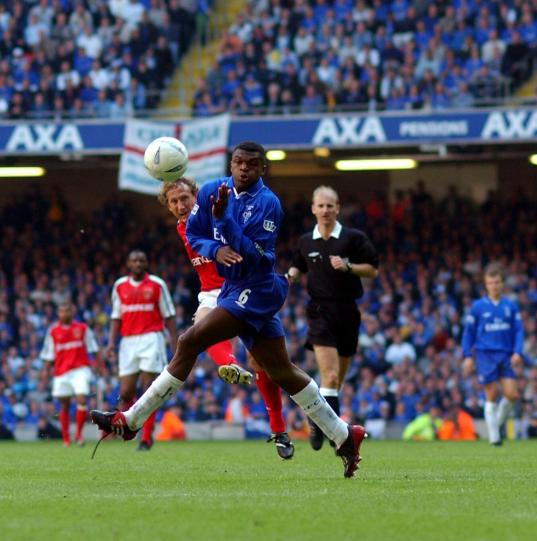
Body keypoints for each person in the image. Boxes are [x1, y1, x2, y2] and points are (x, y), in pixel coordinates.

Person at [90, 141, 367, 477]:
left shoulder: (268, 204)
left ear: (262, 168)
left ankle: (131, 420)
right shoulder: (212, 190)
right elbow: (194, 233)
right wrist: (215, 248)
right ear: (231, 164)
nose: (243, 169)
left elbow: (255, 255)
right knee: (281, 371)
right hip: (233, 290)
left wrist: (224, 225)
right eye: (238, 162)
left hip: (258, 287)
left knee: (189, 341)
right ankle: (344, 435)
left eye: (251, 164)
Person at [160, 177, 293, 459]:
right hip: (211, 292)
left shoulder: (213, 214)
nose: (180, 205)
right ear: (169, 207)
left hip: (242, 286)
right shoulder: (181, 227)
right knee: (200, 327)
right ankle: (230, 365)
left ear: (197, 197)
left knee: (266, 364)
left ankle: (279, 428)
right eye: (174, 202)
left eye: (185, 198)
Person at [287, 185, 380, 452]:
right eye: (321, 206)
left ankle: (316, 419)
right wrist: (290, 276)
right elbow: (298, 264)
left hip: (348, 313)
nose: (325, 210)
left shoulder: (353, 238)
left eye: (330, 206)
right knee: (328, 375)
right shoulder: (306, 241)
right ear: (313, 209)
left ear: (337, 208)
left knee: (336, 381)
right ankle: (337, 435)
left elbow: (373, 269)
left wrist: (349, 266)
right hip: (320, 312)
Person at [107, 250, 178, 451]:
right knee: (126, 391)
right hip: (128, 342)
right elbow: (115, 316)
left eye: (141, 261)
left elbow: (169, 315)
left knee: (149, 389)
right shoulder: (120, 285)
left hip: (151, 339)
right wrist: (111, 342)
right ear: (128, 265)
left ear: (146, 264)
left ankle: (146, 438)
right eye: (134, 261)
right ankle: (133, 426)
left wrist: (174, 342)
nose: (138, 263)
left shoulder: (157, 284)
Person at [461, 263, 524, 446]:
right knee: (491, 393)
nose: (494, 286)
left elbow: (518, 331)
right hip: (485, 355)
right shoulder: (478, 307)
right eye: (490, 283)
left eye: (497, 282)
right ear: (486, 285)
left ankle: (496, 424)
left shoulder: (510, 306)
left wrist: (517, 351)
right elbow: (468, 333)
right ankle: (495, 437)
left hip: (505, 354)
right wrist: (467, 355)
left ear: (502, 284)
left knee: (512, 394)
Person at [40, 300, 103, 447]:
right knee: (64, 405)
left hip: (80, 369)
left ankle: (79, 435)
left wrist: (99, 365)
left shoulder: (82, 328)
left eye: (67, 310)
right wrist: (45, 371)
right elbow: (49, 355)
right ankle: (66, 439)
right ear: (58, 313)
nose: (65, 313)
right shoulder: (53, 331)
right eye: (62, 311)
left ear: (72, 312)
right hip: (61, 371)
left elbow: (94, 349)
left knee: (81, 399)